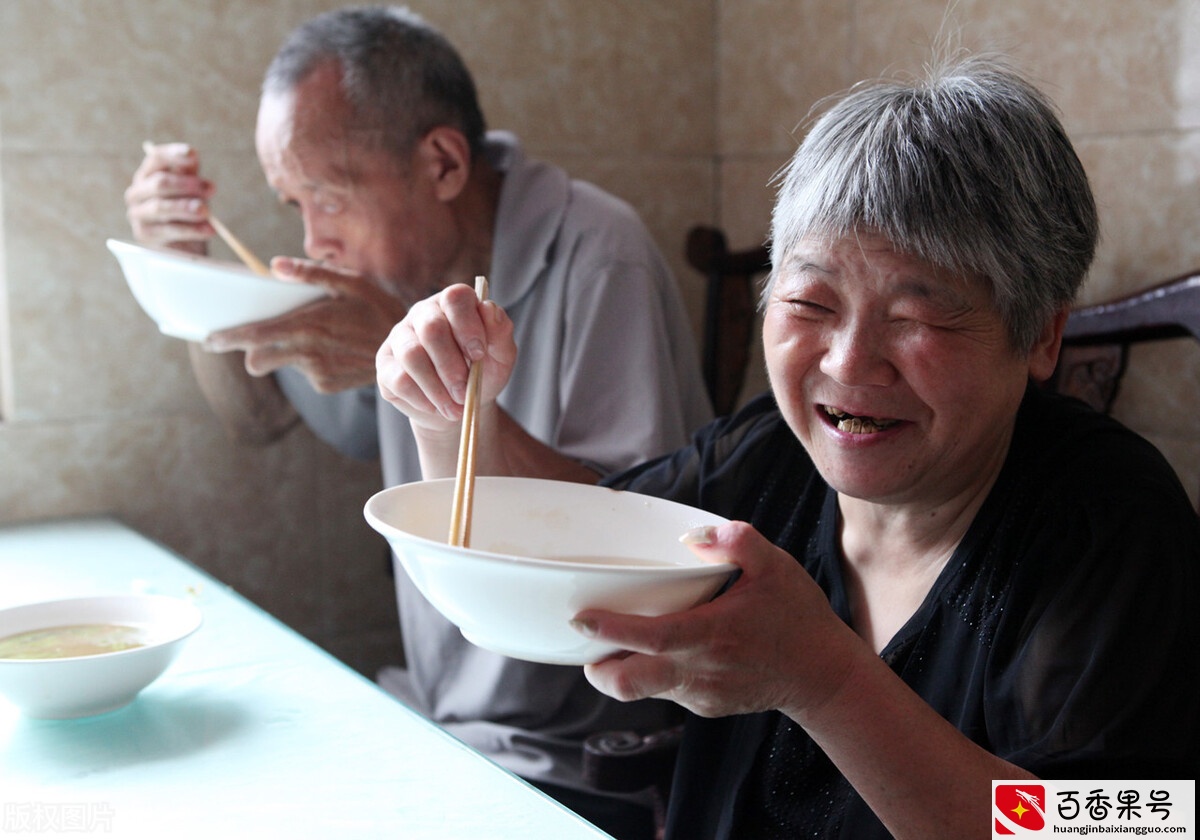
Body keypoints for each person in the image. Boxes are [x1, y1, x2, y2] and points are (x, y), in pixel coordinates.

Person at [377, 54, 1199, 838]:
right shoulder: (769, 458)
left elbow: (1128, 823)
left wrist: (827, 682)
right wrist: (451, 409)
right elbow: (548, 553)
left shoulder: (1112, 523)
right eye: (810, 301)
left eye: (916, 318)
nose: (847, 363)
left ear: (1042, 337)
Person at [124, 6, 713, 838]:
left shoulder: (597, 251)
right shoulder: (389, 288)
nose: (312, 241)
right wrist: (182, 280)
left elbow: (633, 547)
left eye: (324, 199)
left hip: (582, 750)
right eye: (293, 204)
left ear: (440, 162)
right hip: (438, 714)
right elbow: (256, 418)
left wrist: (398, 362)